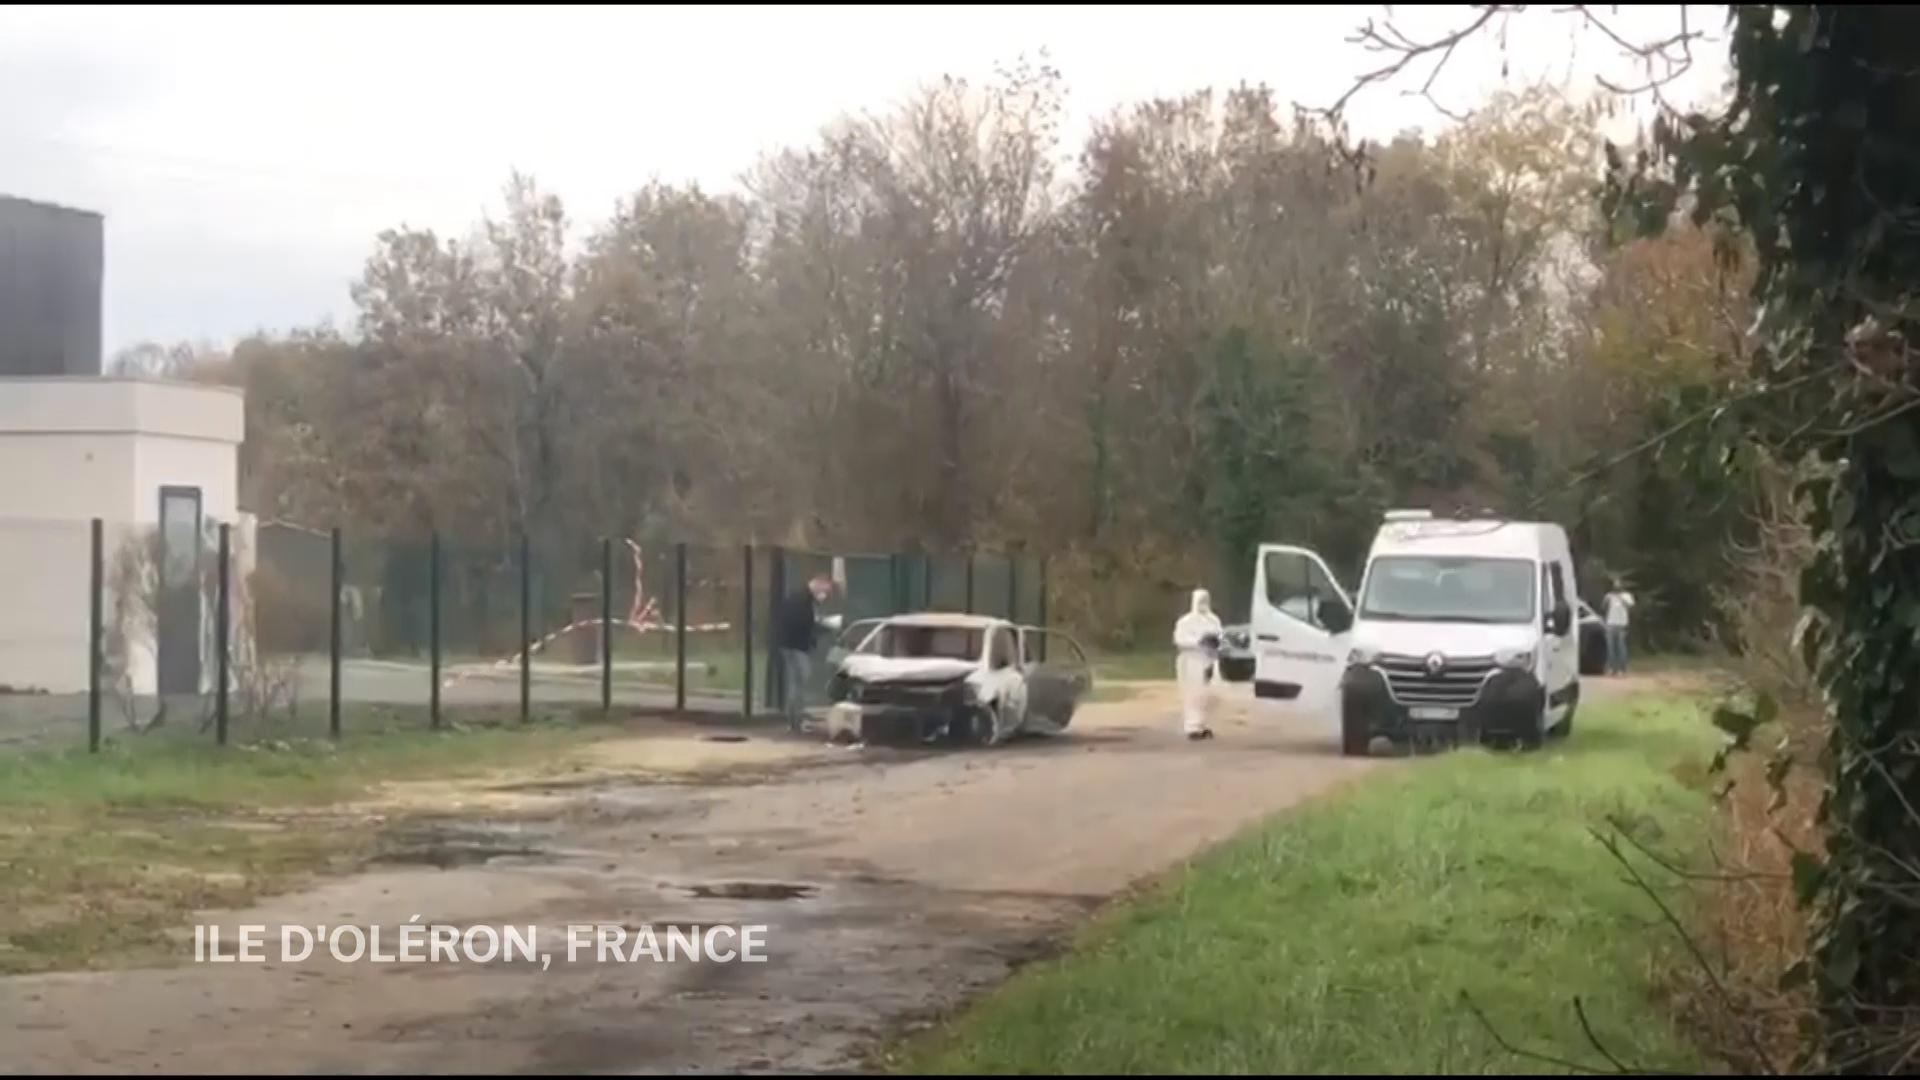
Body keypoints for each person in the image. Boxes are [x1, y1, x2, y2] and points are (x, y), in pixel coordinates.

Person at [774, 573, 837, 732]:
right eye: (825, 590)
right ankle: (795, 720)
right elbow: (803, 623)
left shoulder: (801, 598)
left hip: (790, 644)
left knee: (797, 682)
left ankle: (795, 718)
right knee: (799, 682)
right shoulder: (803, 600)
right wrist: (823, 627)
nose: (825, 595)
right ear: (818, 584)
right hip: (796, 646)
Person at [1172, 588, 1224, 741]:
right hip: (1191, 660)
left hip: (1210, 660)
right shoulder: (1185, 621)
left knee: (1210, 695)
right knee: (1193, 694)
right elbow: (1179, 639)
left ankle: (1203, 724)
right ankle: (1192, 727)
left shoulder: (1214, 620)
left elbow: (1220, 637)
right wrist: (1199, 642)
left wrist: (1217, 645)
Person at [1602, 579, 1635, 676]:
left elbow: (1630, 606)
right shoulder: (1609, 596)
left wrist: (1621, 598)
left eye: (1618, 585)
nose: (1616, 587)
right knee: (1610, 648)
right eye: (1615, 585)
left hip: (1622, 624)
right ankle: (1612, 669)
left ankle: (1623, 669)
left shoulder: (1627, 596)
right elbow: (1604, 607)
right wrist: (1607, 600)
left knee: (1621, 647)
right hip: (1610, 623)